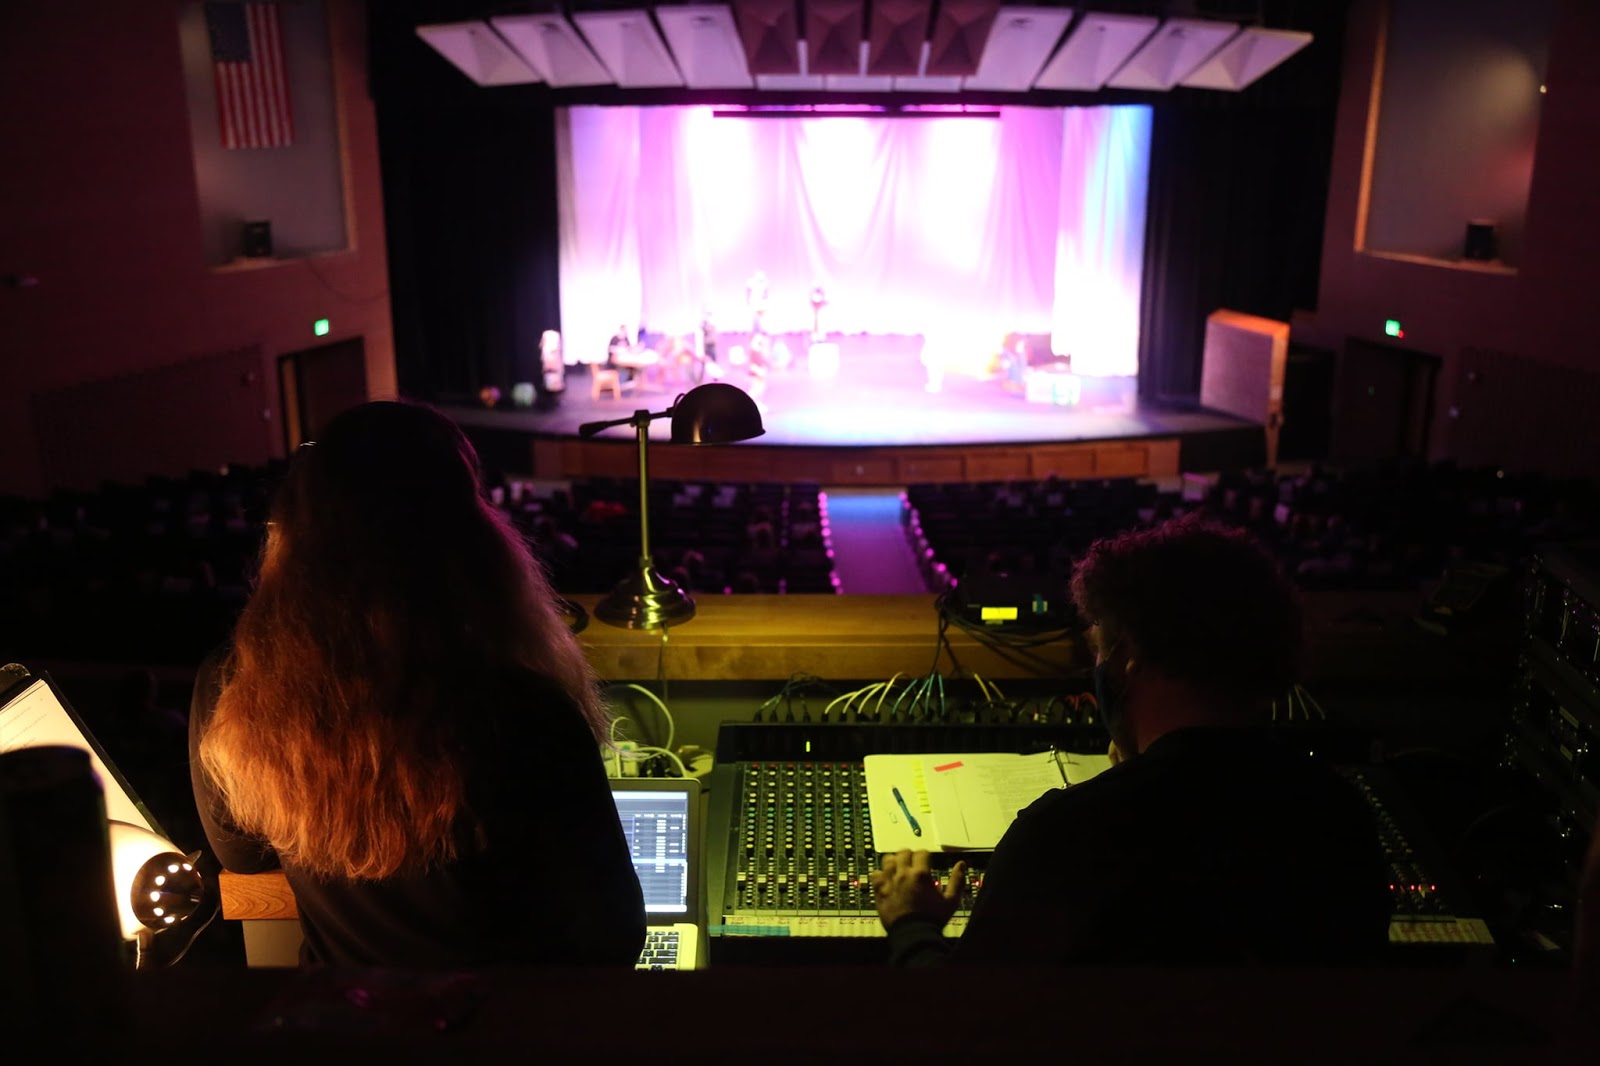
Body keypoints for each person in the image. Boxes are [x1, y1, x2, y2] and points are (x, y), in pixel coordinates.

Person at [190, 401, 646, 968]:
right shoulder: (523, 711)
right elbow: (615, 934)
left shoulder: (233, 682)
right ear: (471, 538)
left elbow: (241, 855)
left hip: (343, 1013)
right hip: (508, 1016)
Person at [871, 514, 1390, 966]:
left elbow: (965, 1018)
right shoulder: (1339, 816)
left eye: (1100, 647)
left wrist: (912, 925)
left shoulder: (1063, 836)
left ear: (1130, 656)